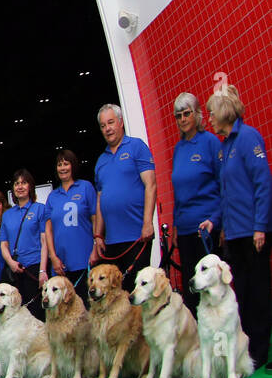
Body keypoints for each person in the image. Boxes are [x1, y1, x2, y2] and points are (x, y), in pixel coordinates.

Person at [207, 85, 270, 370]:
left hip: (252, 233)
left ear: (223, 112)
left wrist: (260, 227)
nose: (208, 118)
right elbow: (225, 192)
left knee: (259, 293)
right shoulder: (224, 147)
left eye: (211, 112)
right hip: (234, 234)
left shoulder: (247, 138)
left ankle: (261, 351)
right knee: (241, 293)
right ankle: (245, 352)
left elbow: (262, 184)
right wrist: (220, 226)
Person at [91, 103, 156, 292]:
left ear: (120, 122)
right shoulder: (100, 161)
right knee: (116, 296)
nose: (107, 128)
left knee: (139, 293)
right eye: (103, 125)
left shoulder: (136, 147)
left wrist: (147, 223)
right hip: (112, 241)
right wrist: (98, 236)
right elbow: (100, 201)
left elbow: (150, 185)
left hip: (137, 236)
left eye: (110, 122)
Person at [170, 93, 222, 315]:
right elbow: (178, 192)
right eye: (178, 115)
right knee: (192, 293)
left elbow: (224, 186)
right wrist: (174, 226)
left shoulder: (210, 142)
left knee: (212, 290)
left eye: (187, 113)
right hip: (185, 231)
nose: (182, 119)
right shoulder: (179, 149)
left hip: (206, 229)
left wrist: (217, 220)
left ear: (197, 114)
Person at [43, 150, 96, 305]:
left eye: (66, 163)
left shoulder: (86, 187)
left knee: (86, 306)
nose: (63, 168)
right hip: (61, 263)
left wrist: (96, 246)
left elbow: (96, 218)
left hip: (85, 259)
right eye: (59, 165)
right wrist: (53, 257)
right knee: (64, 309)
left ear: (73, 166)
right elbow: (48, 229)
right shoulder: (53, 196)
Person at [0, 168, 47, 319]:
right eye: (17, 183)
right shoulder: (7, 215)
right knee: (16, 316)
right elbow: (3, 245)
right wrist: (11, 263)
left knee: (36, 314)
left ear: (30, 186)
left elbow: (45, 242)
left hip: (34, 268)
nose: (20, 186)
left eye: (24, 183)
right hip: (15, 271)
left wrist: (43, 270)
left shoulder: (40, 209)